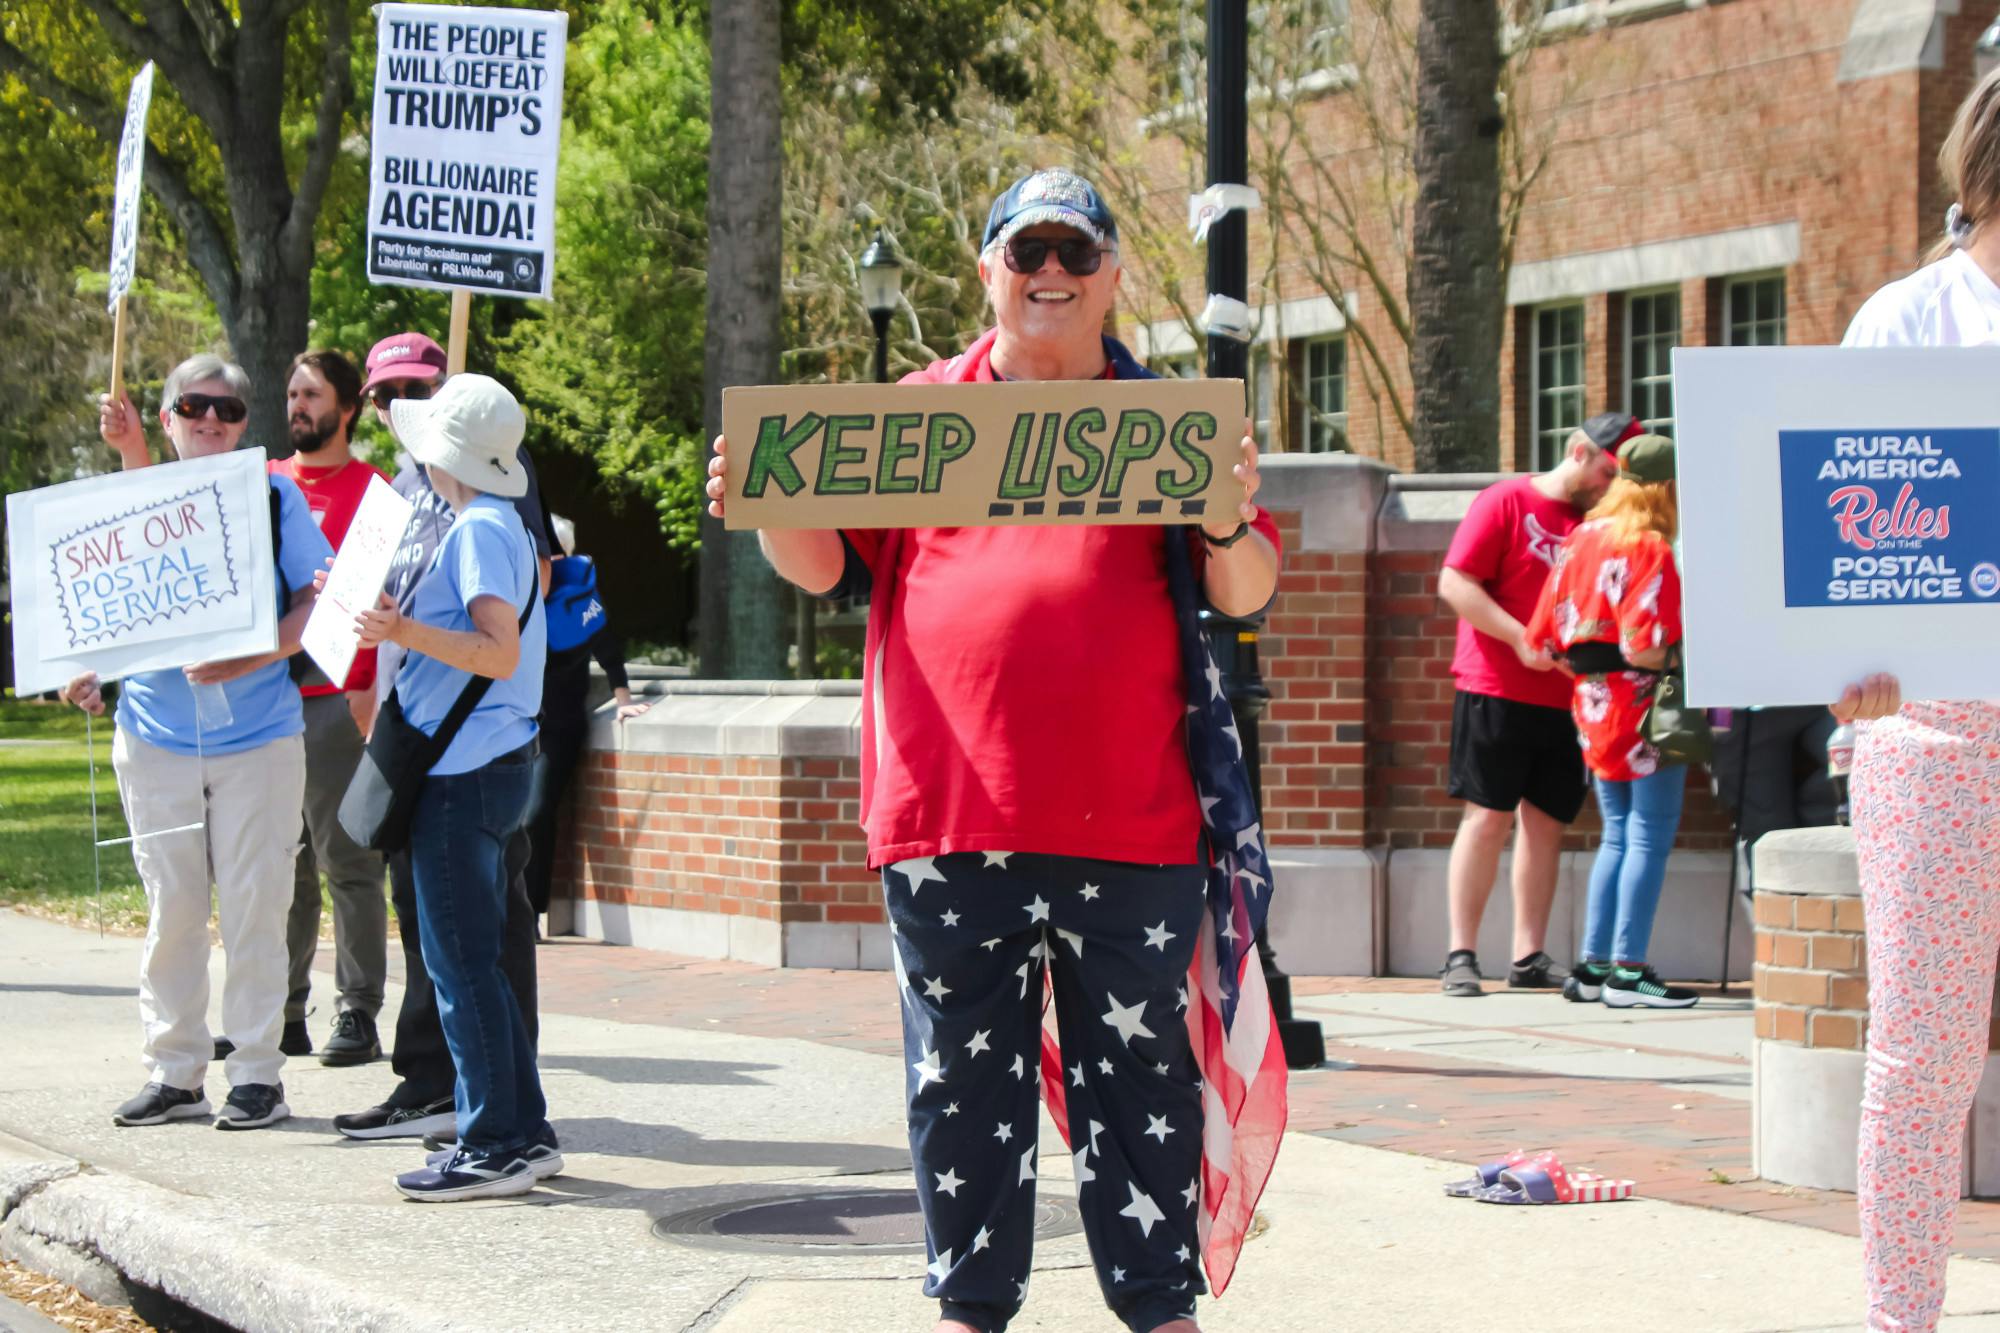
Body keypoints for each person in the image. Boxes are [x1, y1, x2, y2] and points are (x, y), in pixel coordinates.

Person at [706, 168, 1277, 1333]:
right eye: (1027, 254)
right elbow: (823, 570)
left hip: (1133, 821)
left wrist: (1223, 513)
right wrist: (772, 506)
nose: (1051, 274)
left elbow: (1247, 583)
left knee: (1141, 1090)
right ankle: (967, 1308)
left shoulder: (1171, 426)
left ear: (1114, 274)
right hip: (948, 819)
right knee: (961, 1089)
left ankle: (1159, 1309)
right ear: (988, 274)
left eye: (1075, 252)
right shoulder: (913, 416)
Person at [1826, 67, 2000, 1333]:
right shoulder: (1904, 323)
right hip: (1937, 736)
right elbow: (1832, 552)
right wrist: (1847, 652)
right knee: (1921, 1061)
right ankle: (1902, 1322)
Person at [76, 354, 333, 1130]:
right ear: (168, 417)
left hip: (258, 738)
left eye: (226, 410)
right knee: (173, 909)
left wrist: (245, 658)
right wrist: (82, 675)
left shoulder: (276, 497)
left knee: (258, 907)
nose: (211, 421)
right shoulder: (121, 502)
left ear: (244, 424)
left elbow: (319, 608)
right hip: (153, 737)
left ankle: (256, 1073)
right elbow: (93, 622)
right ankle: (176, 1071)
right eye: (195, 407)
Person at [330, 332, 557, 1143]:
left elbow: (496, 652)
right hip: (473, 766)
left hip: (465, 772)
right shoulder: (490, 523)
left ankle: (495, 1138)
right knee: (472, 965)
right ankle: (516, 1130)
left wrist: (401, 630)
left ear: (443, 455)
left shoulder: (480, 531)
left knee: (463, 968)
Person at [1435, 410, 1638, 996]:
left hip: (1573, 696)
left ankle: (1528, 956)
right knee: (1487, 817)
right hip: (1495, 686)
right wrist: (1520, 638)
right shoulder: (1505, 501)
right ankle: (1460, 955)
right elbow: (1456, 583)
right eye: (1606, 471)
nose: (1609, 485)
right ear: (1579, 452)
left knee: (1546, 824)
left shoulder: (1604, 522)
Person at [1525, 434, 1698, 1009]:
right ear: (1667, 488)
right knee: (1647, 836)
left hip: (1591, 704)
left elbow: (1541, 638)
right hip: (1645, 708)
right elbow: (1646, 647)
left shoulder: (1581, 539)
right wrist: (1692, 655)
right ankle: (1628, 970)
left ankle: (1595, 966)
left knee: (1617, 836)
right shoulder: (1648, 545)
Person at [266, 350, 390, 1066]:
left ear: (346, 408)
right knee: (282, 868)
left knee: (348, 862)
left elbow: (377, 606)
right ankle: (282, 1011)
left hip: (334, 701)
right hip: (264, 702)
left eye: (310, 394)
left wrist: (365, 691)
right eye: (290, 394)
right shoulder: (268, 484)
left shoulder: (375, 494)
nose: (297, 406)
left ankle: (358, 1010)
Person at [523, 514, 647, 920]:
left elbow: (607, 647)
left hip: (557, 728)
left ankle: (530, 912)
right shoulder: (514, 593)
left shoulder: (578, 596)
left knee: (535, 814)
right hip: (514, 725)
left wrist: (623, 698)